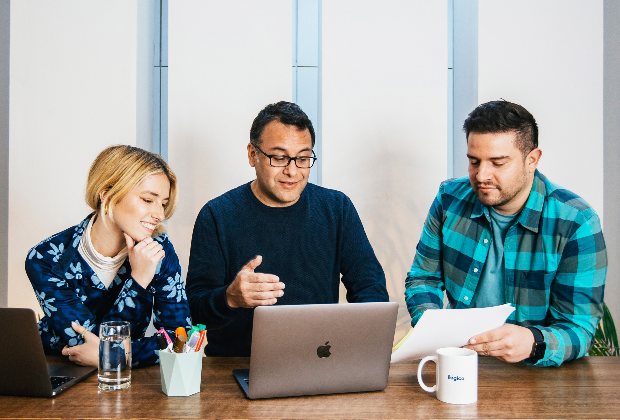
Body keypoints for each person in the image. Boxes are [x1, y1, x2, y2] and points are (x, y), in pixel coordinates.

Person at [405, 100, 607, 367]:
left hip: (536, 375)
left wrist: (533, 342)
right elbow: (423, 279)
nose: (481, 175)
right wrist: (435, 332)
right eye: (474, 161)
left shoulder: (577, 223)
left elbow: (579, 330)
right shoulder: (448, 199)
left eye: (497, 163)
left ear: (532, 160)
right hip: (460, 364)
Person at [186, 101, 389, 356]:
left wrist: (357, 346)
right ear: (252, 155)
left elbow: (370, 290)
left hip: (319, 360)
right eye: (279, 157)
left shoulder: (337, 208)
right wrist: (230, 298)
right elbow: (194, 310)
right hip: (235, 367)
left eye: (303, 158)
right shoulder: (217, 215)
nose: (292, 171)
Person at [26, 145, 191, 367]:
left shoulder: (158, 250)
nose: (160, 215)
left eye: (163, 203)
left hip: (125, 380)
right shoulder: (46, 258)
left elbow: (180, 339)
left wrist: (115, 356)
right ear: (107, 194)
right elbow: (82, 342)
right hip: (55, 370)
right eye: (147, 200)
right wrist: (138, 281)